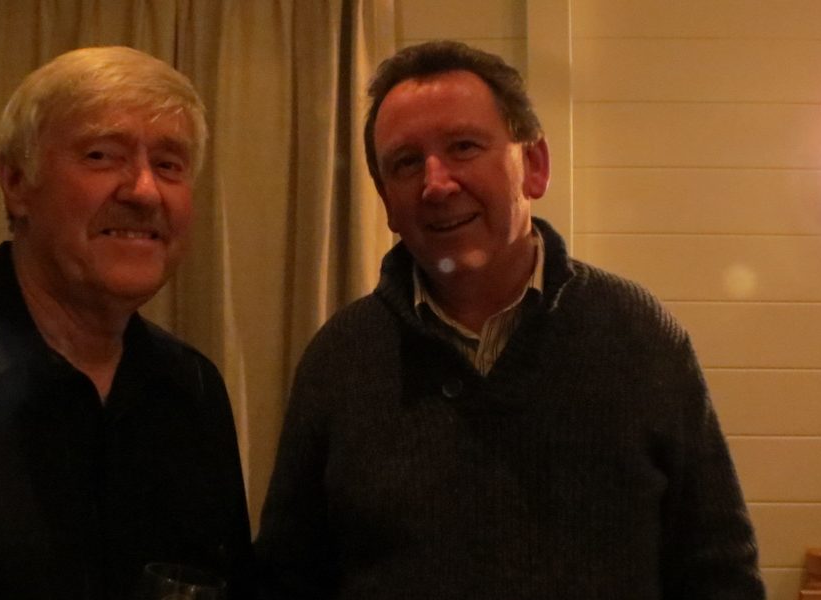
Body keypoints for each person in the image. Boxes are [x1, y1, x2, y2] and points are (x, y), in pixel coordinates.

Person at [255, 40, 765, 599]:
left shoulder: (639, 338)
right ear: (386, 200)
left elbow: (719, 573)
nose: (436, 184)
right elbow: (286, 580)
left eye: (463, 147)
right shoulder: (339, 361)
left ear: (534, 167)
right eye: (406, 162)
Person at [0, 47, 252, 599]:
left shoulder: (194, 391)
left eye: (169, 165)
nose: (143, 190)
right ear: (16, 183)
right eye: (102, 156)